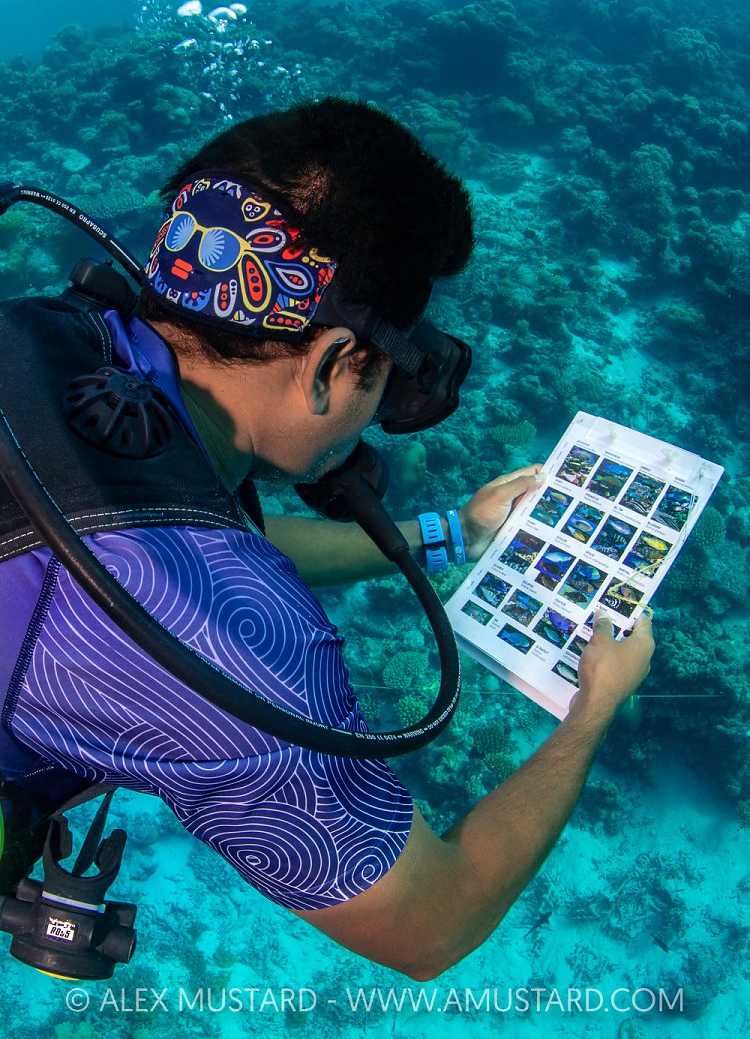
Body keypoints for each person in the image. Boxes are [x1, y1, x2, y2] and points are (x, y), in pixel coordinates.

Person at [0, 97, 653, 981]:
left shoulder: (57, 338)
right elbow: (429, 923)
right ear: (335, 363)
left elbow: (171, 539)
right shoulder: (239, 662)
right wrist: (594, 710)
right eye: (382, 379)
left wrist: (448, 532)